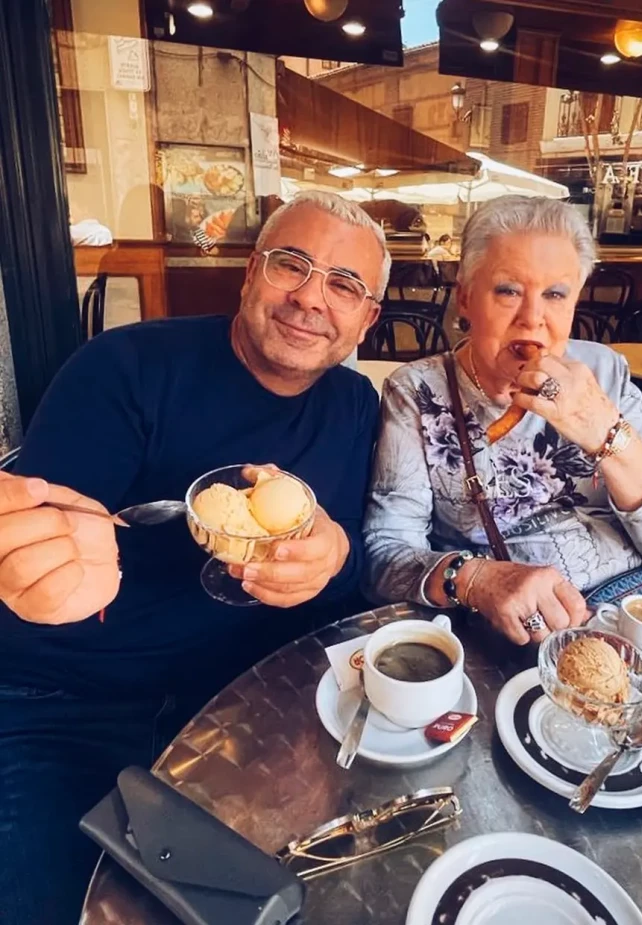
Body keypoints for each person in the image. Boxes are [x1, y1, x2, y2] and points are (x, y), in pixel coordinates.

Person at [0, 190, 389, 925]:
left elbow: (355, 570)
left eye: (344, 285)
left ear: (366, 319)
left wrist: (336, 556)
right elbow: (44, 531)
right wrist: (33, 569)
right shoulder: (127, 368)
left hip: (245, 706)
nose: (311, 298)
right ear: (249, 274)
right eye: (291, 266)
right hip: (63, 704)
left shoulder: (355, 408)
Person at [364, 195, 642, 646]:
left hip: (636, 616)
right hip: (518, 633)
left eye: (555, 294)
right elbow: (385, 554)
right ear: (465, 298)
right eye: (508, 291)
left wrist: (603, 429)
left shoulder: (605, 373)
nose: (532, 318)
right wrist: (478, 580)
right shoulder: (418, 391)